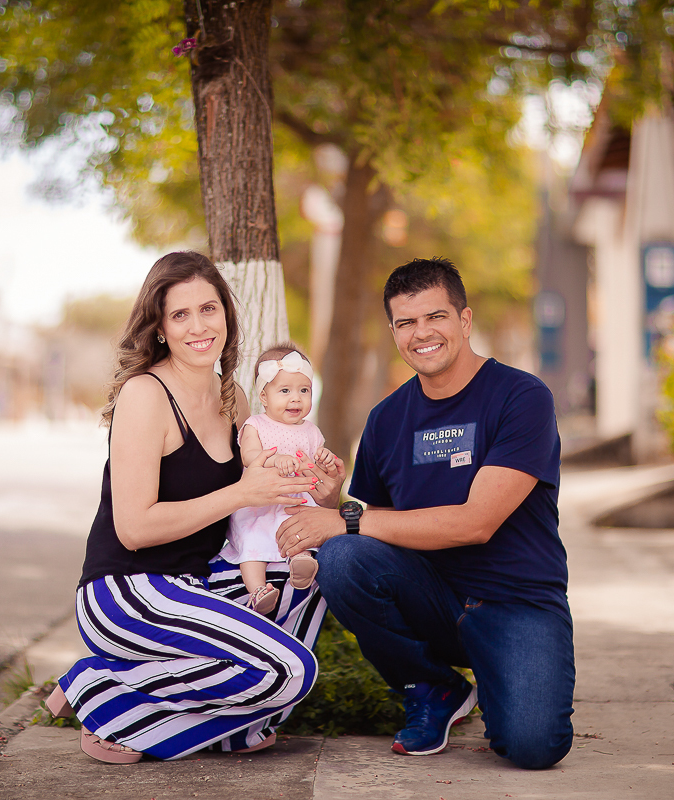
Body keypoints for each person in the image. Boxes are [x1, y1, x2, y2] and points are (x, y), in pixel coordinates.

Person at [45, 251, 345, 763]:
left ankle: (190, 727)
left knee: (321, 570)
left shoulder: (235, 400)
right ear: (160, 328)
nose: (198, 326)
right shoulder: (146, 394)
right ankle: (100, 689)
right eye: (179, 315)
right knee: (288, 671)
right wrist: (240, 492)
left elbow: (267, 508)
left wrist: (325, 491)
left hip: (200, 581)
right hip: (127, 589)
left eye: (209, 309)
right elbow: (134, 527)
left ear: (226, 314)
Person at [276, 256, 574, 770]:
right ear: (393, 331)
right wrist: (331, 502)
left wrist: (344, 519)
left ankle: (503, 672)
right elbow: (378, 535)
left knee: (533, 746)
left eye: (435, 316)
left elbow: (476, 522)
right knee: (345, 557)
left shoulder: (523, 397)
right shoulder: (387, 419)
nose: (421, 333)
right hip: (431, 596)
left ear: (464, 320)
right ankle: (433, 688)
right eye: (406, 322)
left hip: (516, 601)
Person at [219, 344, 338, 614]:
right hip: (259, 505)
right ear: (264, 395)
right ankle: (258, 589)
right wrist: (274, 459)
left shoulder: (311, 430)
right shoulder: (256, 425)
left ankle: (301, 562)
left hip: (293, 500)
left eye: (303, 391)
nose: (295, 399)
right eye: (285, 391)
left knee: (299, 528)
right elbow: (249, 456)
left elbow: (315, 458)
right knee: (252, 540)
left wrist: (324, 459)